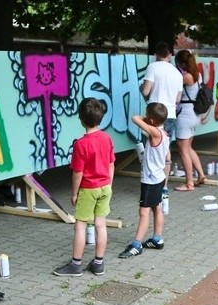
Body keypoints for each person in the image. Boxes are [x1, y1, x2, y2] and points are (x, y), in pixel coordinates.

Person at [53, 97, 115, 277]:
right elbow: (111, 165)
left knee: (80, 226)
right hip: (105, 186)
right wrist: (108, 184)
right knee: (100, 225)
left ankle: (76, 265)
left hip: (89, 189)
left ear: (80, 118)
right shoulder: (107, 138)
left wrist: (74, 193)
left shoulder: (81, 144)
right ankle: (98, 263)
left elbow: (77, 173)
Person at [119, 103, 168, 259]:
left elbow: (135, 118)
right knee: (157, 208)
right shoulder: (162, 132)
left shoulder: (155, 133)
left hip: (150, 179)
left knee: (144, 212)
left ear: (152, 121)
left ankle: (136, 245)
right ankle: (157, 239)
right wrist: (150, 118)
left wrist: (145, 118)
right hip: (159, 177)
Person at [140, 42, 183, 191]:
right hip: (170, 114)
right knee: (165, 150)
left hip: (154, 114)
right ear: (170, 54)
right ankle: (163, 186)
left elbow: (145, 91)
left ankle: (150, 182)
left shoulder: (153, 67)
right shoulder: (177, 73)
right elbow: (178, 99)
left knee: (151, 150)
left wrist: (142, 88)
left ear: (156, 54)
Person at [173, 49, 208, 191]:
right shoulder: (197, 75)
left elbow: (174, 88)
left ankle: (189, 183)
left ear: (181, 63)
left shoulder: (185, 77)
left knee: (183, 151)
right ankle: (201, 175)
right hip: (194, 115)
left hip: (185, 116)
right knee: (189, 148)